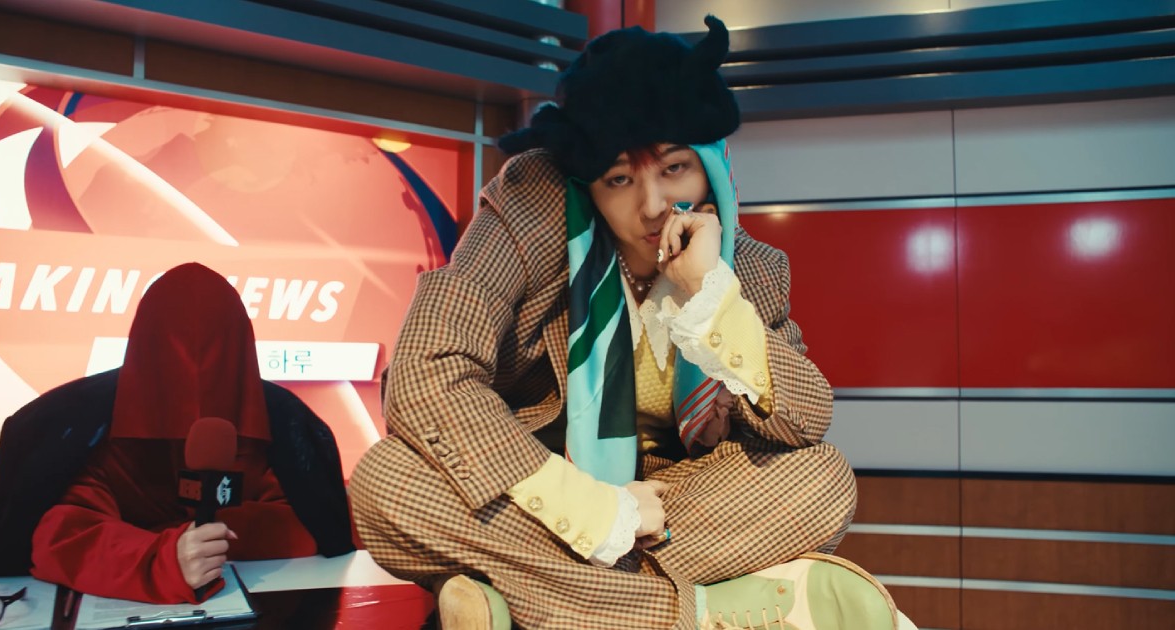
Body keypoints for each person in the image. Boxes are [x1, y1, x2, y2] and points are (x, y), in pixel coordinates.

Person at [350, 16, 888, 629]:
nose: (653, 205)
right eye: (620, 179)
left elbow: (807, 417)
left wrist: (710, 298)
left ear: (711, 163)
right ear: (589, 184)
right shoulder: (533, 209)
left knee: (822, 478)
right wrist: (593, 509)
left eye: (674, 168)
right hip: (539, 486)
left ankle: (519, 599)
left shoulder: (752, 267)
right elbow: (425, 371)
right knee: (385, 483)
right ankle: (694, 613)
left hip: (678, 503)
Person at [0, 262, 354, 604]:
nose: (195, 376)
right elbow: (61, 534)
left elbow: (305, 526)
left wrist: (183, 541)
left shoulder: (280, 424)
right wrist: (162, 559)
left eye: (218, 351)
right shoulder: (90, 425)